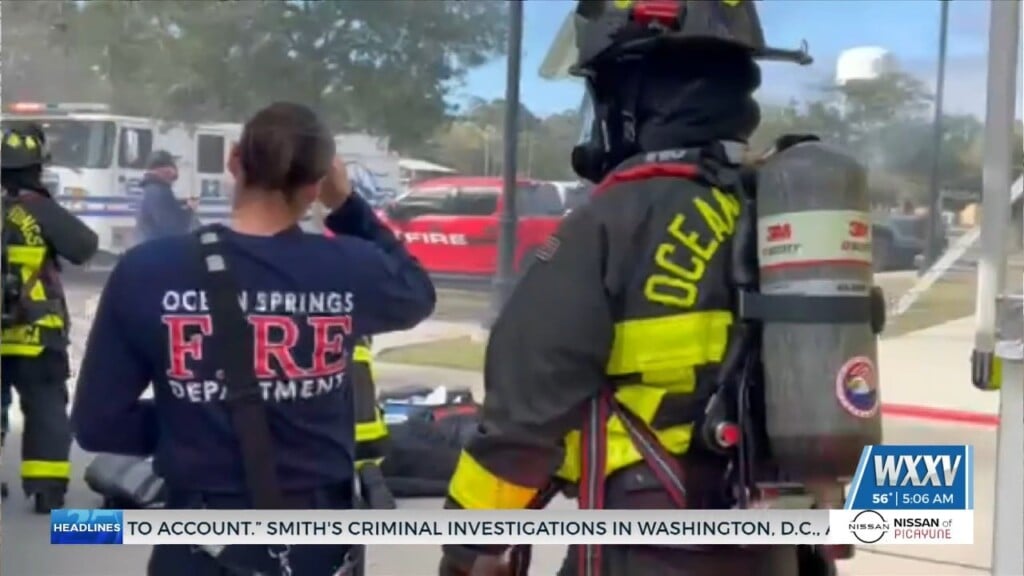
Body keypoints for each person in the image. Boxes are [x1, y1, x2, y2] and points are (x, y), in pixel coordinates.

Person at [438, 1, 820, 575]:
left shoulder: (612, 222)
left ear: (636, 91)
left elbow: (524, 418)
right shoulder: (778, 210)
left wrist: (467, 552)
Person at [71, 101, 436, 576]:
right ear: (317, 184)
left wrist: (193, 424)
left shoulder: (149, 270)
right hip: (316, 541)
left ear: (234, 161)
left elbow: (98, 423)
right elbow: (417, 292)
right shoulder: (350, 267)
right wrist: (347, 208)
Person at [1, 124, 99, 512]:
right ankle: (46, 489)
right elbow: (85, 247)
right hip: (37, 334)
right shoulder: (39, 210)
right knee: (44, 408)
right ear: (37, 168)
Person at [134, 149, 197, 243]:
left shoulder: (153, 189)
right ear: (161, 170)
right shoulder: (159, 192)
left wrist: (181, 205)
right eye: (170, 171)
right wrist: (190, 210)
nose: (173, 176)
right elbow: (173, 228)